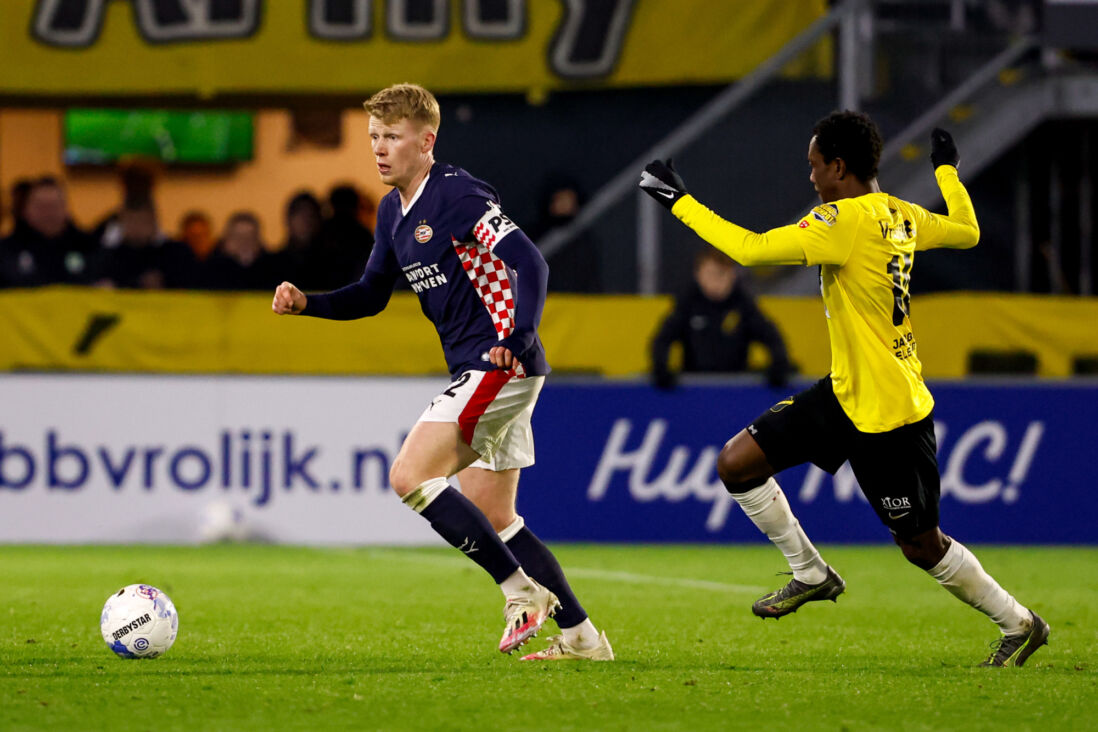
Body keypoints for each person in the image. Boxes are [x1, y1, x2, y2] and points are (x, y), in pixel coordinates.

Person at [638, 111, 1049, 668]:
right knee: (737, 463)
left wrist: (678, 202)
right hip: (846, 394)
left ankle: (1019, 623)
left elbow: (751, 251)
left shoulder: (841, 221)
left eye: (814, 167)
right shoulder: (900, 213)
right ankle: (811, 572)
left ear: (838, 166)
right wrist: (947, 171)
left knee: (921, 546)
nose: (809, 177)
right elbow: (968, 230)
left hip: (890, 416)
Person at [273, 83, 612, 661]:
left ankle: (520, 593)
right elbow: (370, 295)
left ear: (426, 141)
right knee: (497, 516)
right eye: (374, 137)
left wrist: (519, 333)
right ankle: (583, 638)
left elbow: (528, 259)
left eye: (393, 137)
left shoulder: (456, 193)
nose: (380, 149)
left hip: (498, 362)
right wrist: (309, 303)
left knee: (409, 476)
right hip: (491, 369)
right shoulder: (391, 211)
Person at [651, 248, 792, 389]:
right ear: (698, 275)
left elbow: (771, 336)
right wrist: (661, 366)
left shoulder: (743, 304)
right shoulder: (688, 304)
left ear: (733, 275)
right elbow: (663, 339)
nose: (717, 281)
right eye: (711, 274)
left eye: (723, 274)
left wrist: (779, 364)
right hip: (694, 389)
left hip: (736, 390)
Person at [0, 176, 98, 287]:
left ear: (66, 209)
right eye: (41, 207)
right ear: (26, 210)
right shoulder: (6, 251)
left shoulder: (90, 246)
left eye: (54, 206)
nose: (48, 214)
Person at [97, 199, 198, 289]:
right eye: (132, 221)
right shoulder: (109, 256)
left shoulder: (173, 252)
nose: (137, 227)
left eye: (144, 221)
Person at [203, 211, 277, 290]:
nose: (243, 242)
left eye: (249, 236)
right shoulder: (211, 269)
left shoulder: (273, 269)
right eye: (238, 236)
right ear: (227, 239)